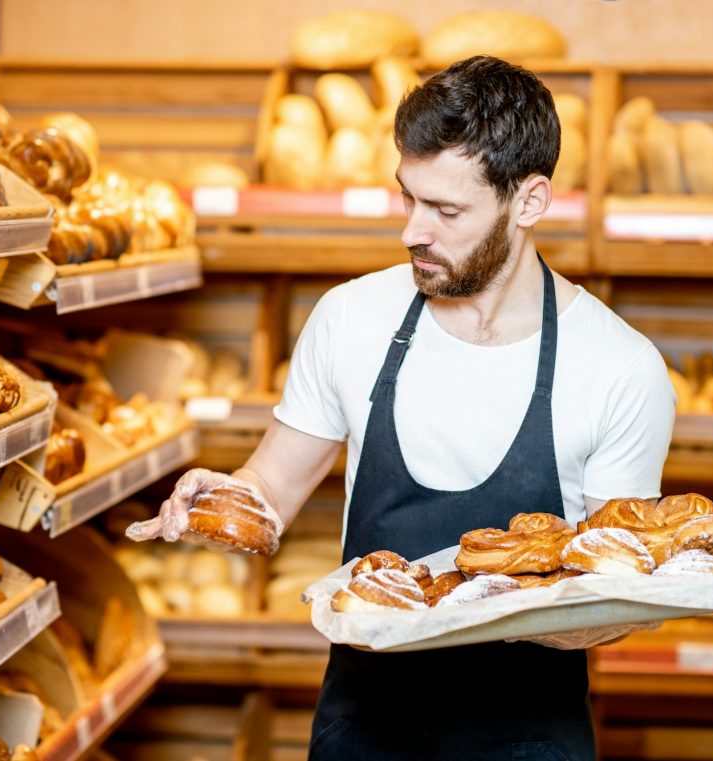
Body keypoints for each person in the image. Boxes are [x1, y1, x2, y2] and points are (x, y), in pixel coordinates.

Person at [128, 55, 675, 760]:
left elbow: (616, 590)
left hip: (527, 737)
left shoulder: (617, 366)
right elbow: (273, 489)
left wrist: (479, 605)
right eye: (407, 198)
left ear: (530, 202)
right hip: (362, 729)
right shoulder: (349, 319)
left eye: (446, 210)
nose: (413, 231)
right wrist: (224, 499)